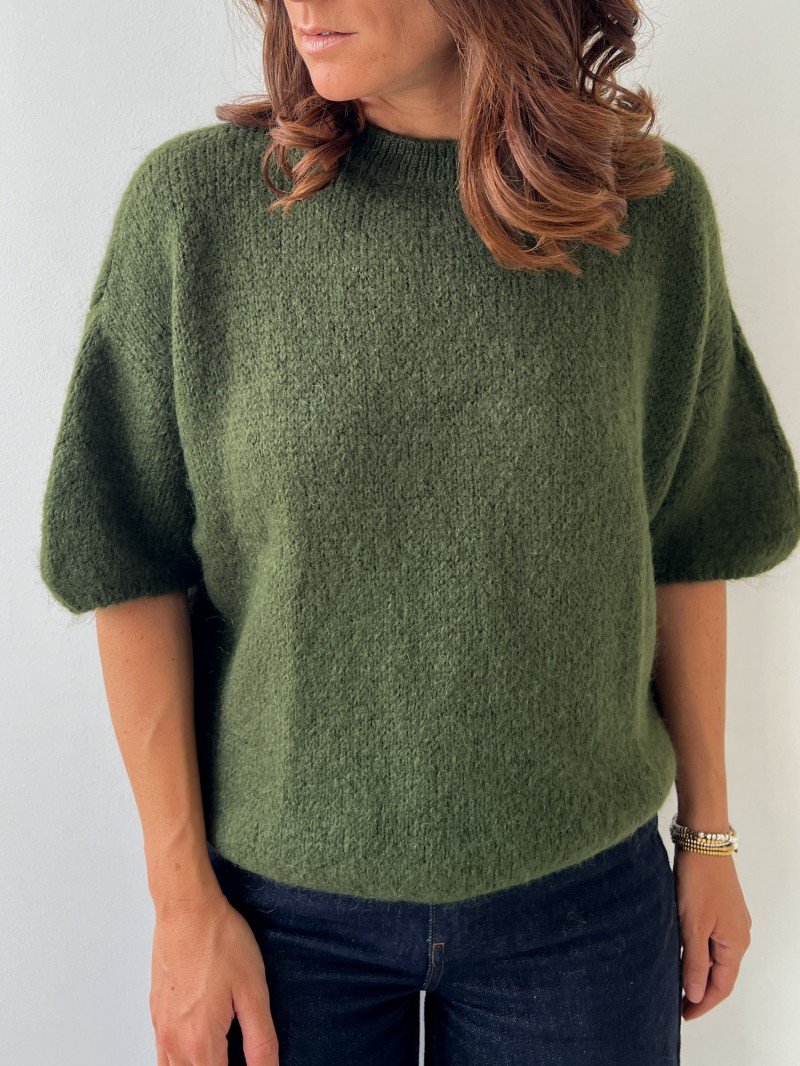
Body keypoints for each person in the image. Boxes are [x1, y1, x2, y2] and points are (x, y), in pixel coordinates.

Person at [38, 1, 800, 1064]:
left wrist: (708, 832)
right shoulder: (198, 212)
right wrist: (181, 904)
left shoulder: (642, 216)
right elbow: (128, 559)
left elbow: (688, 538)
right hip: (277, 917)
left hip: (581, 911)